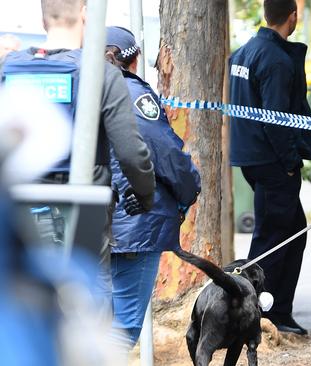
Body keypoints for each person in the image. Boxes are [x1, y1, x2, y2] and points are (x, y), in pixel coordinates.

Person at [0, 0, 155, 313]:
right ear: (86, 15)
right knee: (86, 303)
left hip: (19, 207)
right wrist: (144, 194)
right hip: (82, 211)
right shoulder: (100, 73)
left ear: (44, 21)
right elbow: (130, 151)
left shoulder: (8, 69)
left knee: (21, 302)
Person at [103, 26, 202, 349]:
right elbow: (165, 153)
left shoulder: (82, 89)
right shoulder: (132, 94)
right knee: (125, 325)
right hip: (135, 225)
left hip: (92, 221)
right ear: (135, 60)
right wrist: (190, 191)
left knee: (96, 319)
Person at [229, 0, 311, 335]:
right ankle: (260, 316)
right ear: (292, 16)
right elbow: (277, 120)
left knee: (291, 232)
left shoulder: (242, 54)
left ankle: (277, 309)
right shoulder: (276, 59)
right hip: (272, 161)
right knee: (273, 240)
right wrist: (291, 163)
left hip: (251, 157)